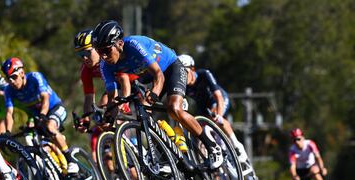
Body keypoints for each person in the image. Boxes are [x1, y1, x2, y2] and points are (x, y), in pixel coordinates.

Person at [92, 20, 223, 169]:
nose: (103, 56)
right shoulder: (105, 66)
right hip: (147, 77)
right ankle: (166, 156)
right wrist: (109, 116)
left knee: (173, 108)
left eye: (106, 51)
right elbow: (112, 97)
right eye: (98, 51)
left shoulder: (134, 45)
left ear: (120, 44)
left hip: (169, 68)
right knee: (143, 114)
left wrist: (154, 95)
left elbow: (159, 75)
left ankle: (212, 147)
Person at [1, 57, 79, 174]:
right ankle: (57, 174)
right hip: (37, 116)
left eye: (14, 77)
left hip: (54, 108)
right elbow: (9, 113)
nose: (11, 81)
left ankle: (70, 160)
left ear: (22, 73)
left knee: (49, 127)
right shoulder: (9, 90)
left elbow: (45, 98)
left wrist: (42, 116)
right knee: (35, 141)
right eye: (8, 78)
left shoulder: (35, 77)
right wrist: (7, 132)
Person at [73, 29, 135, 162]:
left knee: (126, 114)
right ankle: (120, 150)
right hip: (116, 86)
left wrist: (124, 104)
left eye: (87, 52)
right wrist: (86, 118)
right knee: (101, 113)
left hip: (135, 81)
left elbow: (124, 80)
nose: (84, 58)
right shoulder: (86, 70)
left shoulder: (108, 58)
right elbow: (89, 97)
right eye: (80, 54)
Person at [178, 54, 249, 164]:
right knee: (199, 129)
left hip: (217, 100)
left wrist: (219, 116)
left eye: (185, 72)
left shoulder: (204, 74)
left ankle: (237, 145)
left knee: (216, 117)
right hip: (203, 105)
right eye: (180, 73)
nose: (182, 76)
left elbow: (218, 96)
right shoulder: (182, 84)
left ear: (192, 69)